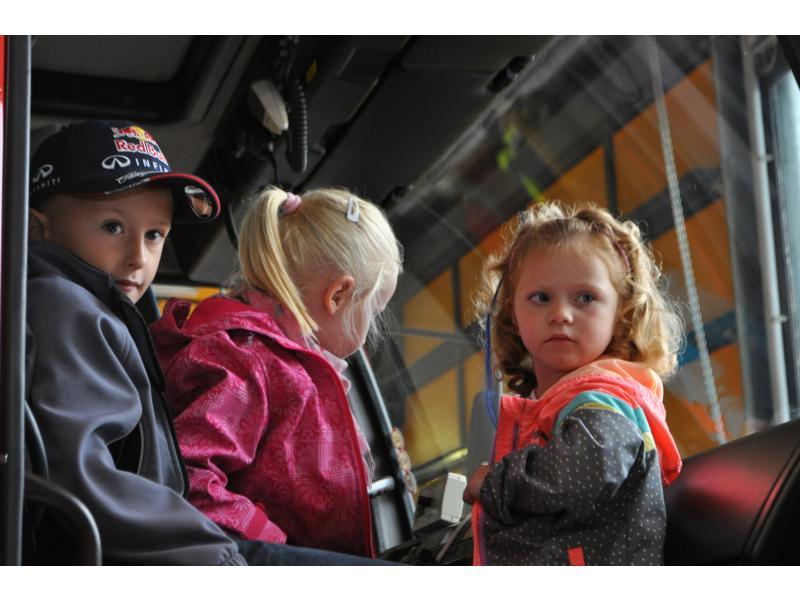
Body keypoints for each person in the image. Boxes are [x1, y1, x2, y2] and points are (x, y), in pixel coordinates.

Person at [25, 120, 381, 566]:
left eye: (154, 235)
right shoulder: (64, 306)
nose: (138, 256)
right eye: (113, 226)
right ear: (38, 230)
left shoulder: (99, 314)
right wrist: (217, 558)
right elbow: (84, 477)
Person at [150, 187, 402, 557]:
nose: (371, 329)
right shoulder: (245, 358)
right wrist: (278, 549)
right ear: (337, 295)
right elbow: (188, 479)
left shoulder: (282, 360)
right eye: (374, 311)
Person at [463, 201, 684, 566]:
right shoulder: (561, 401)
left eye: (585, 298)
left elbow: (592, 464)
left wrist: (495, 483)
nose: (561, 314)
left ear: (621, 313)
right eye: (541, 298)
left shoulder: (603, 397)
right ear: (513, 313)